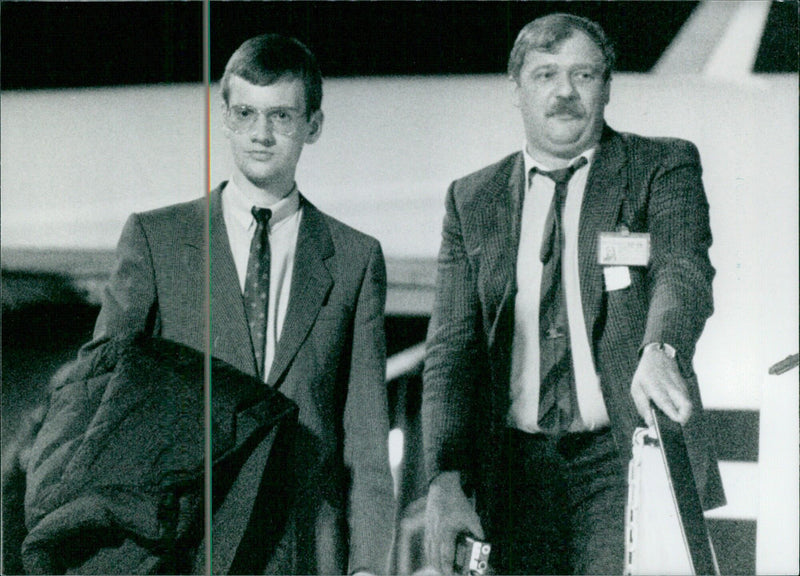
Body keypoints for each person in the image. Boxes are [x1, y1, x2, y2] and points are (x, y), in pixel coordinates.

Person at [68, 33, 395, 575]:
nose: (260, 135)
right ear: (223, 115)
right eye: (245, 113)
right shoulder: (157, 240)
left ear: (313, 125)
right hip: (179, 544)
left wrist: (366, 565)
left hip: (303, 547)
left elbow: (366, 439)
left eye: (282, 117)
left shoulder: (356, 259)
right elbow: (94, 402)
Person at [421, 13, 725, 575]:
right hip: (512, 474)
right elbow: (450, 352)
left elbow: (682, 270)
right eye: (544, 75)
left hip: (622, 458)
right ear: (515, 89)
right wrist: (443, 478)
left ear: (607, 86)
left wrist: (662, 350)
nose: (564, 92)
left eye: (583, 75)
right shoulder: (472, 200)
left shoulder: (660, 166)